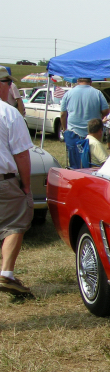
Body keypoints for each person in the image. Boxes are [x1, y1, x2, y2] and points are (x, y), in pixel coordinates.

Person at [0, 66, 34, 295]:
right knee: (15, 224)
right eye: (8, 83)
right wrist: (26, 186)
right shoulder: (9, 113)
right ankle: (6, 273)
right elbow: (22, 154)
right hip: (5, 180)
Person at [60, 77, 109, 169]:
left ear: (77, 81)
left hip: (73, 132)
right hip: (92, 132)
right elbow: (106, 110)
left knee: (74, 162)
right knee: (91, 161)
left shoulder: (68, 93)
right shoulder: (97, 93)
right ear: (90, 82)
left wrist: (64, 128)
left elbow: (63, 114)